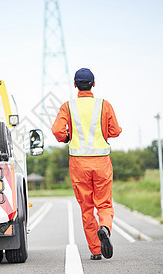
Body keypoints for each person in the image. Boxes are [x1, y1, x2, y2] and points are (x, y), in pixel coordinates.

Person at [52, 68, 122, 260]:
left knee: (87, 208)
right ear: (94, 84)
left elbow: (57, 131)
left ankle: (96, 250)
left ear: (75, 85)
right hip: (101, 162)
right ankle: (105, 228)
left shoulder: (68, 106)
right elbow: (115, 131)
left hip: (78, 164)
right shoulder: (104, 105)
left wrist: (67, 136)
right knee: (104, 203)